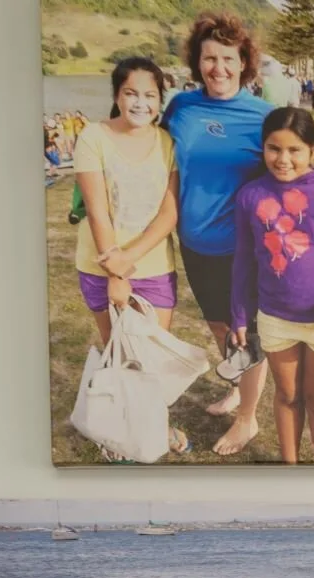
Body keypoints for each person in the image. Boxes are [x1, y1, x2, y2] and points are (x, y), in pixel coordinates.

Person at [163, 11, 272, 455]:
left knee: (247, 334)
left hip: (243, 250)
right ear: (198, 62)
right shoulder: (181, 108)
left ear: (244, 62)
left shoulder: (264, 116)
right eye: (210, 58)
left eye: (228, 59)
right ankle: (237, 389)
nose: (219, 68)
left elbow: (289, 173)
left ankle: (248, 419)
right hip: (195, 243)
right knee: (218, 325)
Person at [230, 107, 314, 464]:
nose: (283, 159)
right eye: (274, 148)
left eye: (295, 150)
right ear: (263, 148)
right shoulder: (250, 195)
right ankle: (290, 467)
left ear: (312, 151)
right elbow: (244, 259)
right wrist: (239, 313)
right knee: (287, 396)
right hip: (275, 317)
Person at [71, 56, 189, 456]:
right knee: (118, 354)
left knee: (151, 358)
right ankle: (118, 434)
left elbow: (169, 212)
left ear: (160, 99)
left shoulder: (167, 143)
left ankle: (158, 427)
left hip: (154, 266)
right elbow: (97, 210)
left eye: (149, 95)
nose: (140, 103)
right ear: (117, 96)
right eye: (131, 93)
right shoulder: (93, 137)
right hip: (100, 265)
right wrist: (115, 272)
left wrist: (130, 259)